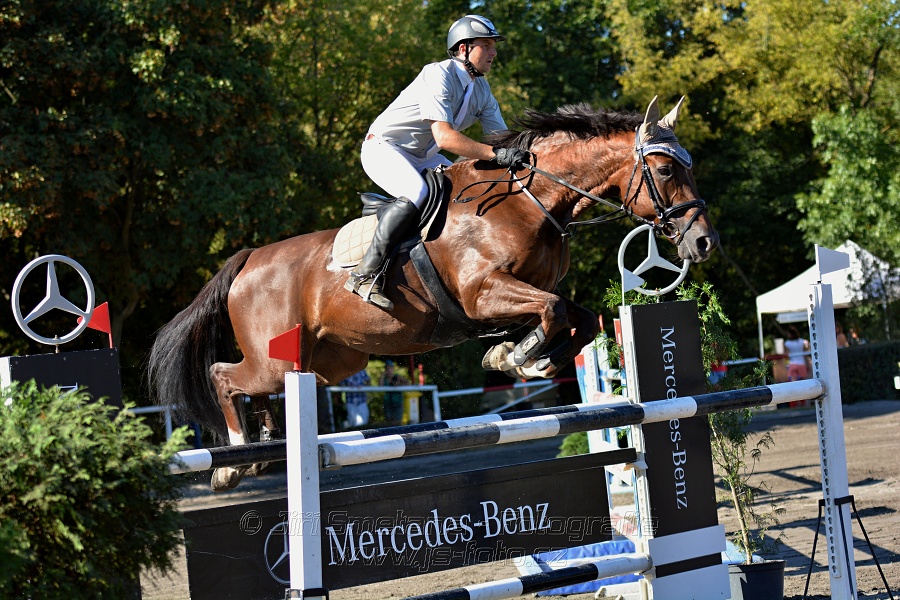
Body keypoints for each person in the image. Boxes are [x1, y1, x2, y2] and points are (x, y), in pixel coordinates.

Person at [345, 14, 530, 311]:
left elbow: (501, 140)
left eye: (494, 46)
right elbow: (445, 138)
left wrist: (525, 156)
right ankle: (365, 273)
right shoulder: (438, 74)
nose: (494, 52)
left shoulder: (482, 91)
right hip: (384, 147)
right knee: (418, 193)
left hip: (423, 156)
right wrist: (496, 155)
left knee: (464, 187)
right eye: (487, 45)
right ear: (463, 48)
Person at [381, 360, 408, 426]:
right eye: (387, 368)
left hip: (398, 402)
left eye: (390, 368)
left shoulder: (397, 377)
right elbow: (380, 386)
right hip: (388, 403)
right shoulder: (384, 379)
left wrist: (399, 385)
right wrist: (382, 376)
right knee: (389, 422)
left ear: (393, 369)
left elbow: (407, 383)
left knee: (397, 422)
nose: (389, 370)